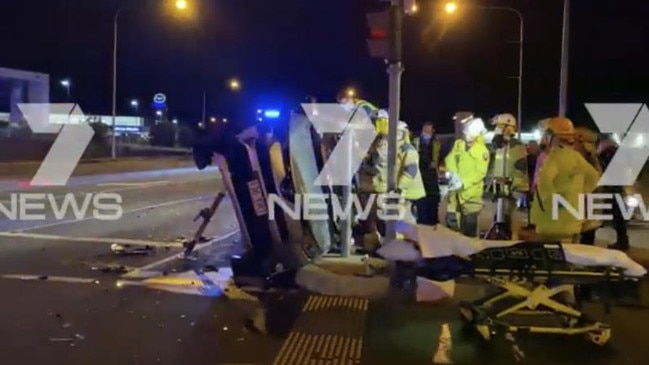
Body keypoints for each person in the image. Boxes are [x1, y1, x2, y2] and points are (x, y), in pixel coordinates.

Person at [530, 117, 600, 242]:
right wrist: (577, 195)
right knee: (570, 256)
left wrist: (554, 203)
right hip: (572, 222)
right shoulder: (577, 158)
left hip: (551, 223)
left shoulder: (554, 158)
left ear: (552, 136)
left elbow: (544, 183)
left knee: (550, 257)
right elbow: (594, 177)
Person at [444, 116, 490, 237]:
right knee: (453, 228)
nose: (465, 136)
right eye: (465, 134)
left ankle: (472, 252)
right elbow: (450, 159)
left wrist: (463, 182)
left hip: (471, 195)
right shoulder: (459, 144)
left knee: (470, 228)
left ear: (476, 135)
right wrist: (453, 174)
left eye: (468, 134)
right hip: (455, 192)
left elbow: (480, 173)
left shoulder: (482, 151)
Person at [489, 113, 530, 239]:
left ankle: (510, 238)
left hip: (512, 189)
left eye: (500, 126)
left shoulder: (516, 146)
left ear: (508, 127)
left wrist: (514, 185)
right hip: (500, 188)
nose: (497, 129)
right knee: (499, 217)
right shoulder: (500, 146)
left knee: (507, 217)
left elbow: (520, 169)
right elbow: (495, 166)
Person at [356, 109, 389, 253]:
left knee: (378, 219)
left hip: (376, 186)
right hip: (368, 186)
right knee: (369, 219)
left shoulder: (384, 141)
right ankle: (374, 247)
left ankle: (382, 248)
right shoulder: (373, 139)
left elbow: (377, 166)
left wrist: (363, 160)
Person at [598, 134, 630, 251]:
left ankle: (622, 243)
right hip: (617, 188)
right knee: (618, 217)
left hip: (613, 188)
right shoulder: (615, 152)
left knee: (617, 217)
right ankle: (622, 241)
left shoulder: (608, 153)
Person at [573, 127, 603, 245]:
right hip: (581, 210)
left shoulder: (588, 162)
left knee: (584, 243)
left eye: (574, 141)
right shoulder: (590, 161)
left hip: (585, 211)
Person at [395, 121, 426, 224]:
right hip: (404, 191)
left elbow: (411, 170)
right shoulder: (396, 149)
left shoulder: (407, 149)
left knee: (406, 219)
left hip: (409, 192)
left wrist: (400, 187)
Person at [412, 122, 442, 225]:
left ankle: (432, 219)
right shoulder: (416, 141)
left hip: (432, 175)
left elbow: (440, 156)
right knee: (421, 199)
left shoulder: (436, 142)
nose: (427, 133)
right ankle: (422, 219)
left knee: (433, 198)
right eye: (425, 131)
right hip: (420, 173)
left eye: (429, 131)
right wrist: (428, 163)